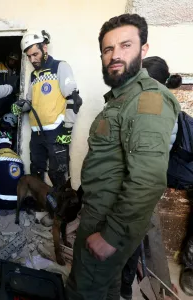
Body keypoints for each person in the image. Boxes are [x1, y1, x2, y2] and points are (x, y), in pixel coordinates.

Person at [65, 14, 181, 300]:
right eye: (108, 49)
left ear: (143, 49)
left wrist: (110, 238)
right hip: (99, 215)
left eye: (125, 45)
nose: (115, 55)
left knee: (83, 291)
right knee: (108, 288)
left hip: (109, 223)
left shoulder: (147, 100)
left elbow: (147, 181)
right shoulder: (121, 98)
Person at [120, 56, 182, 300]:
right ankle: (156, 281)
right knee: (142, 229)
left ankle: (127, 285)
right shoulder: (159, 100)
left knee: (132, 232)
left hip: (142, 179)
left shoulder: (157, 103)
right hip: (148, 176)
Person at [11, 30, 82, 190]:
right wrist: (21, 105)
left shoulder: (60, 67)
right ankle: (40, 206)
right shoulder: (34, 76)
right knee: (36, 172)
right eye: (29, 56)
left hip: (56, 133)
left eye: (35, 54)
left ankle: (62, 212)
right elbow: (30, 102)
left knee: (58, 174)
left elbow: (74, 99)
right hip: (36, 134)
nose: (32, 59)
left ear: (45, 48)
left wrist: (67, 130)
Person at [0, 52, 20, 118]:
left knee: (11, 117)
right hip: (0, 98)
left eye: (14, 61)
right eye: (11, 59)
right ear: (7, 58)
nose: (12, 62)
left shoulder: (16, 70)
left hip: (11, 98)